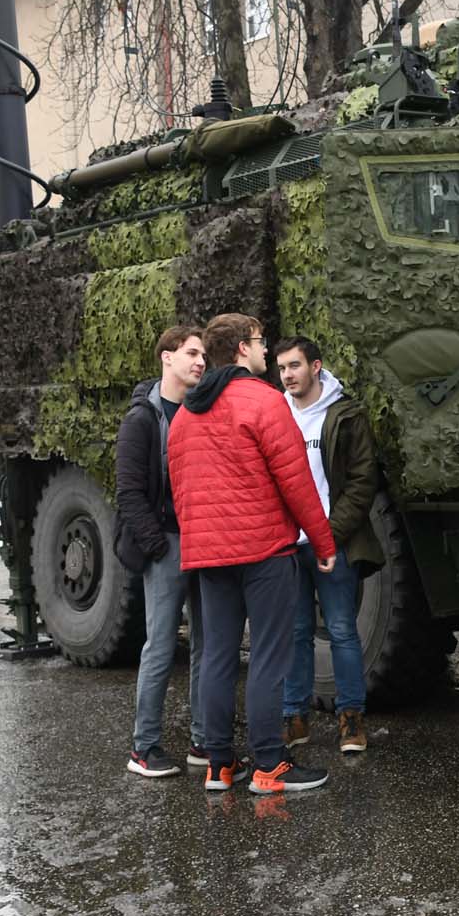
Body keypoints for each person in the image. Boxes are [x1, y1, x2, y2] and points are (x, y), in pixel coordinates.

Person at [167, 313, 339, 795]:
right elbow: (296, 481)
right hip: (263, 550)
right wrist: (322, 542)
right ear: (243, 349)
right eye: (261, 343)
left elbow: (180, 490)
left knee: (218, 656)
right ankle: (269, 764)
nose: (266, 353)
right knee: (267, 654)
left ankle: (219, 764)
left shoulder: (184, 414)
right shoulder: (264, 402)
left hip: (208, 556)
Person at [273, 336, 385, 754]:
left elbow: (362, 481)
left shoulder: (345, 415)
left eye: (295, 366)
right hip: (288, 545)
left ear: (316, 366)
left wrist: (329, 534)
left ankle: (351, 719)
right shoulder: (275, 413)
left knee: (341, 631)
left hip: (332, 543)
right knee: (295, 633)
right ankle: (294, 718)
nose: (287, 375)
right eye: (282, 368)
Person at [116, 326, 207, 779]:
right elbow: (129, 492)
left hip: (202, 540)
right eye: (191, 353)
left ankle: (202, 741)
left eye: (204, 355)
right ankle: (144, 748)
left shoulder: (198, 409)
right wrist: (157, 547)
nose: (200, 362)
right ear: (166, 357)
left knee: (206, 644)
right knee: (162, 645)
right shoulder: (143, 418)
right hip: (166, 544)